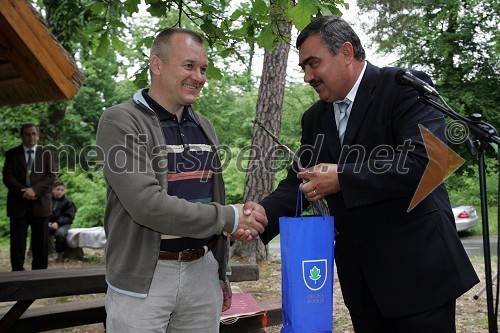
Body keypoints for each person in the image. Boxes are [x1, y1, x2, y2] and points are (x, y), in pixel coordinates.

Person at [257, 15, 479, 332]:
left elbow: (426, 162)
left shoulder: (404, 87)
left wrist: (342, 179)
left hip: (420, 276)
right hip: (361, 284)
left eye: (313, 63)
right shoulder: (314, 118)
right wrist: (258, 216)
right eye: (303, 67)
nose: (307, 76)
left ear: (346, 52)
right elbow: (301, 182)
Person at [96, 27, 267, 332]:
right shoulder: (120, 120)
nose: (199, 77)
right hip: (145, 280)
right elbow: (147, 205)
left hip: (201, 272)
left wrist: (219, 272)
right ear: (156, 65)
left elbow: (208, 202)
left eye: (203, 69)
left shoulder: (205, 127)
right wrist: (230, 217)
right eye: (189, 66)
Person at [2, 123, 56, 271]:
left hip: (41, 204)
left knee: (41, 242)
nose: (31, 137)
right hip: (18, 204)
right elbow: (7, 177)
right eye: (27, 134)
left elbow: (51, 176)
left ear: (37, 135)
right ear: (22, 136)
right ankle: (18, 274)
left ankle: (39, 275)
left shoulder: (46, 153)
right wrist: (24, 191)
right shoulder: (12, 154)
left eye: (33, 133)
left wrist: (34, 190)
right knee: (17, 242)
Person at [48, 179, 77, 260]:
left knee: (60, 233)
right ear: (53, 189)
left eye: (62, 190)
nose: (59, 192)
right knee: (41, 231)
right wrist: (48, 222)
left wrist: (57, 223)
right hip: (49, 224)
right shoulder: (47, 200)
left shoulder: (68, 202)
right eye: (57, 189)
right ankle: (43, 253)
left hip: (63, 225)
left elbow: (69, 217)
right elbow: (44, 213)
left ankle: (60, 254)